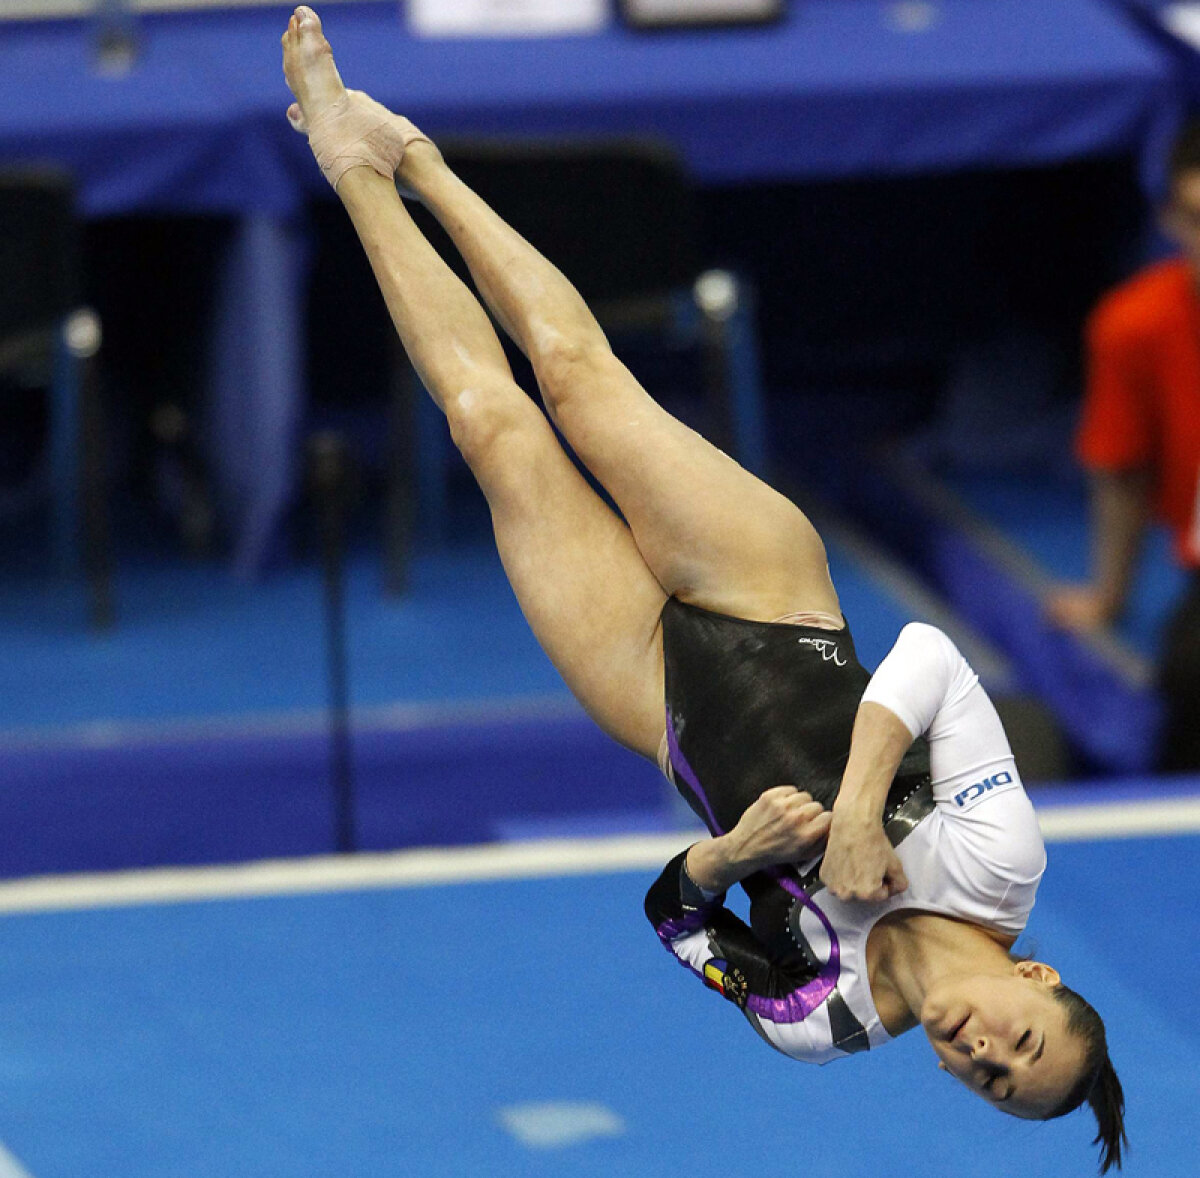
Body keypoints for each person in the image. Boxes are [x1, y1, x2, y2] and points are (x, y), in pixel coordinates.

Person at [279, 9, 1125, 1170]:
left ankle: (347, 160)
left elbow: (677, 918)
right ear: (1036, 971)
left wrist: (729, 857)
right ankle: (415, 156)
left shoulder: (819, 1019)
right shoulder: (998, 861)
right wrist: (860, 812)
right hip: (775, 599)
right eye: (1020, 1039)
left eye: (989, 1079)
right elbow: (930, 655)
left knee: (493, 430)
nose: (982, 1047)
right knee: (577, 379)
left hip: (656, 699)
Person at [1048, 119, 1200, 772]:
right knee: (1189, 677)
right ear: (1169, 219)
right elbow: (1122, 471)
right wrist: (1109, 596)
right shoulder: (1134, 327)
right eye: (1199, 219)